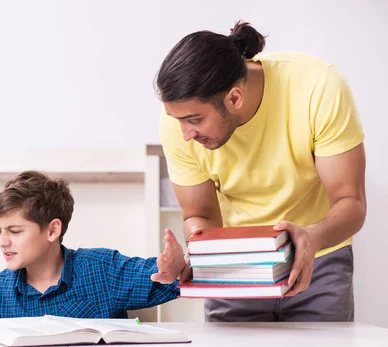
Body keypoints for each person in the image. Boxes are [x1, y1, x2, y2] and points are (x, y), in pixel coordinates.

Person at [151, 21, 366, 322]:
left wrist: (311, 238)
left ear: (234, 98)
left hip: (318, 261)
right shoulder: (178, 124)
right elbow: (199, 214)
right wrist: (195, 253)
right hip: (233, 267)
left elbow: (351, 202)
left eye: (195, 120)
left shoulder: (318, 86)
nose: (185, 134)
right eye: (179, 121)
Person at [0, 170, 186, 319]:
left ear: (52, 230)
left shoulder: (101, 271)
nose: (2, 241)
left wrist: (176, 269)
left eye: (14, 231)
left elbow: (161, 276)